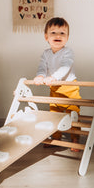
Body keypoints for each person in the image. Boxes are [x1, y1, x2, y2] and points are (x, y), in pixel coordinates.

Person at [34, 17, 81, 151]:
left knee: (73, 113)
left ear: (67, 37)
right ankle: (55, 136)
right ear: (46, 37)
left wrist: (53, 77)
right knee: (54, 113)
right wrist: (41, 76)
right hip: (54, 87)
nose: (58, 36)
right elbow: (42, 66)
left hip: (70, 86)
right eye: (53, 33)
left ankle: (75, 137)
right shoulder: (46, 53)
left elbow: (66, 67)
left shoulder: (68, 52)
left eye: (62, 33)